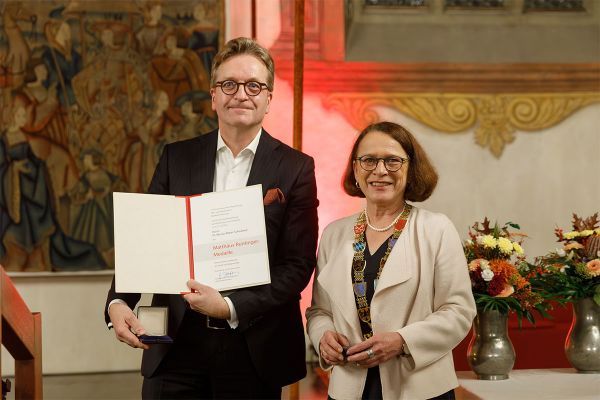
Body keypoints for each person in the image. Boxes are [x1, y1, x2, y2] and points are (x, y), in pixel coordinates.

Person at [104, 37, 319, 399]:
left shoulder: (296, 168)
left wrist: (230, 307)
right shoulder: (177, 158)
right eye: (229, 84)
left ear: (269, 98)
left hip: (254, 347)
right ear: (213, 95)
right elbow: (147, 238)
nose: (241, 94)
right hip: (176, 343)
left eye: (254, 85)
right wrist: (118, 302)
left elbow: (297, 266)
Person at [306, 121, 476, 400]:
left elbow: (458, 311)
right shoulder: (334, 234)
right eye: (369, 160)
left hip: (418, 388)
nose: (380, 170)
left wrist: (402, 341)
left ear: (411, 169)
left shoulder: (436, 229)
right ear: (356, 169)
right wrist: (323, 336)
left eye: (393, 161)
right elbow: (318, 312)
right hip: (349, 387)